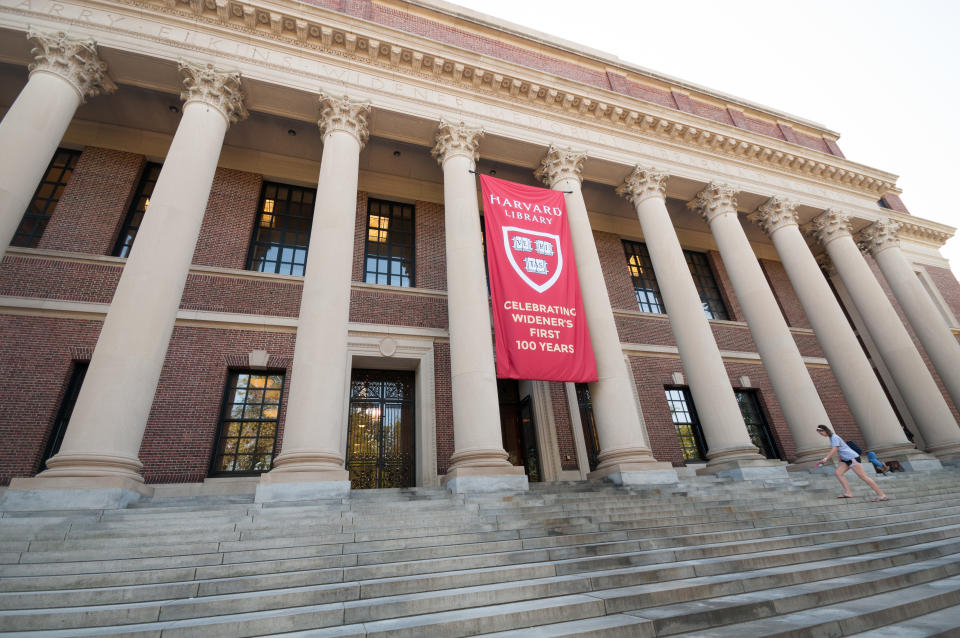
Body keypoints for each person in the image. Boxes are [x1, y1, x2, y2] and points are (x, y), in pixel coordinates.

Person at [815, 424, 888, 502]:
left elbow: (835, 449)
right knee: (838, 473)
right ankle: (848, 493)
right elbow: (840, 450)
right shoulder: (832, 438)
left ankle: (881, 495)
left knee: (863, 477)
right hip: (846, 459)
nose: (821, 434)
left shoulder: (834, 437)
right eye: (819, 433)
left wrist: (826, 458)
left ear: (825, 430)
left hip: (852, 458)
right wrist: (840, 462)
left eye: (821, 432)